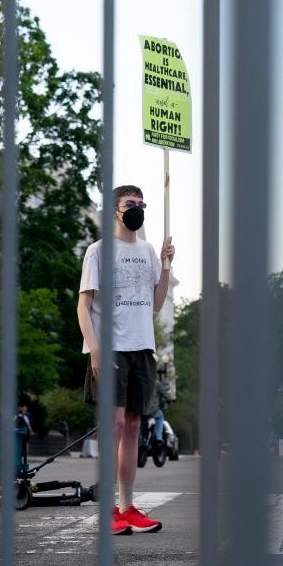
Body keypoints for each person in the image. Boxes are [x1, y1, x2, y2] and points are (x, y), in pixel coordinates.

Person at [77, 184, 174, 535]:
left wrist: (165, 265)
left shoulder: (148, 251)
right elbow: (84, 306)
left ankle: (126, 506)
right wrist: (95, 348)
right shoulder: (98, 251)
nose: (136, 209)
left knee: (134, 426)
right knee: (114, 425)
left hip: (141, 348)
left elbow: (157, 303)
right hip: (111, 347)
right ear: (114, 211)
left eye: (141, 204)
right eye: (129, 204)